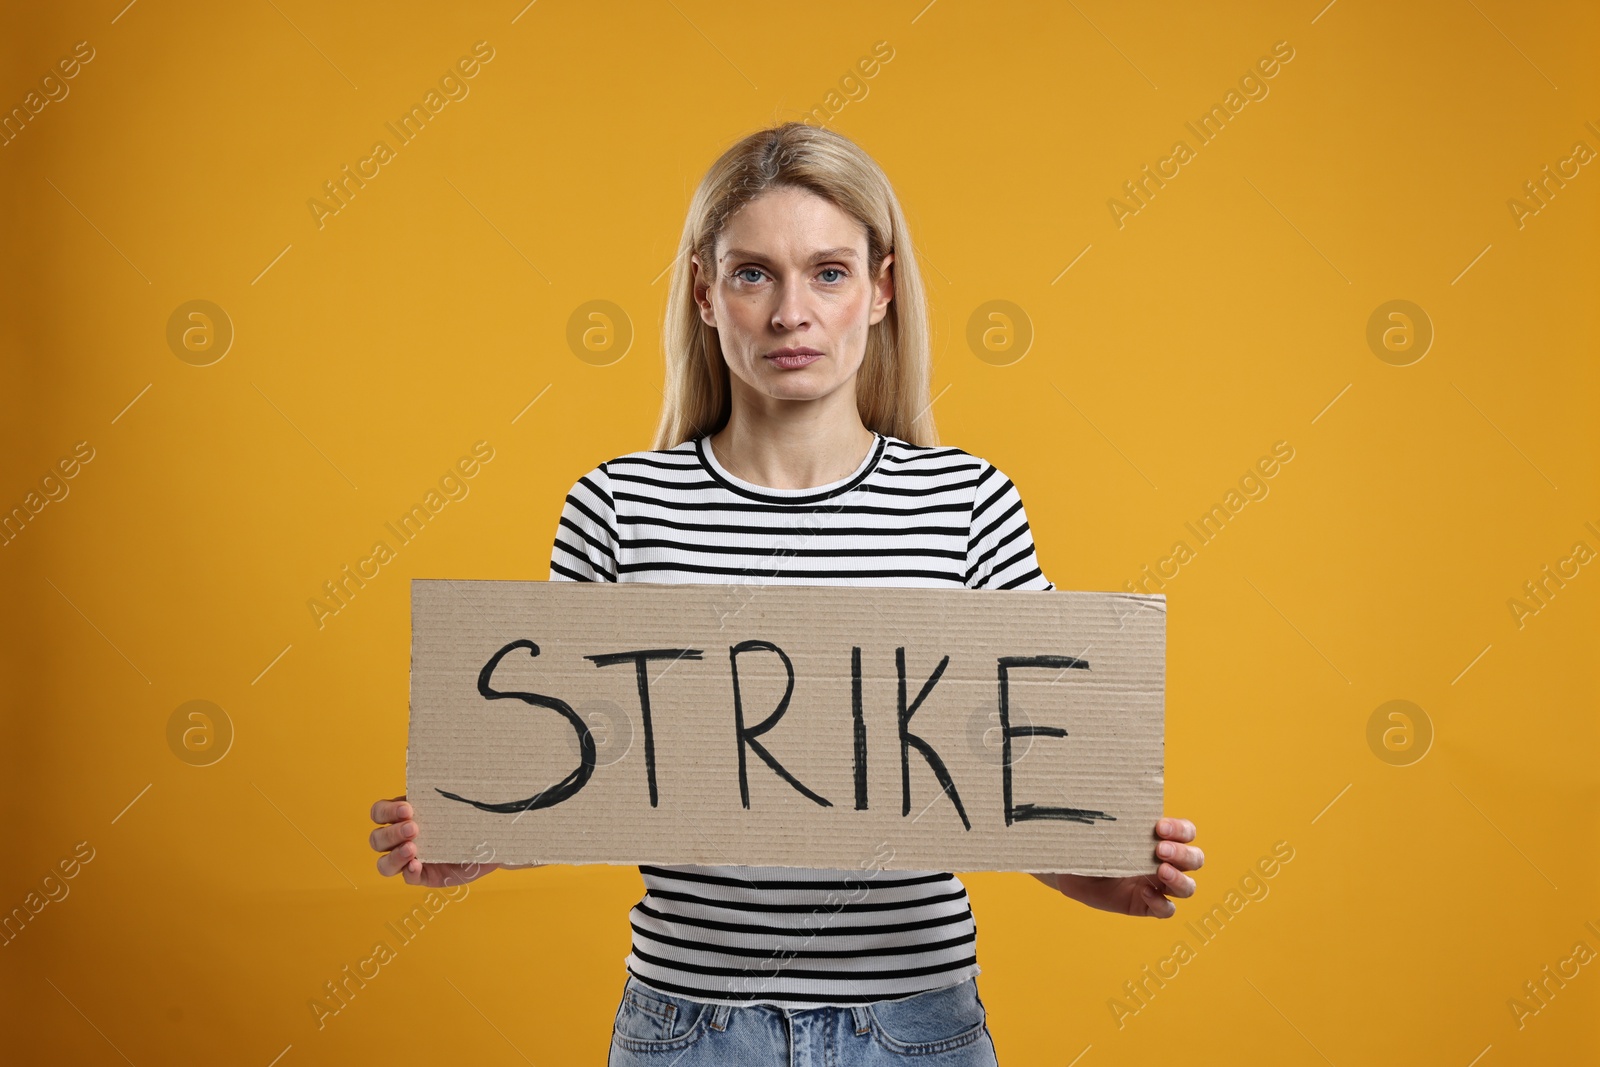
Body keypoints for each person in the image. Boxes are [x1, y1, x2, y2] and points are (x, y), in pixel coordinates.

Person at [368, 121, 1203, 1065]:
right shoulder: (619, 506)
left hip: (912, 1023)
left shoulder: (967, 503)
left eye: (830, 272)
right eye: (753, 273)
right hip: (688, 1027)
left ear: (883, 289)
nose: (789, 313)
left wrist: (1101, 877)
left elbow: (1015, 779)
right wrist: (476, 837)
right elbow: (574, 770)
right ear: (704, 292)